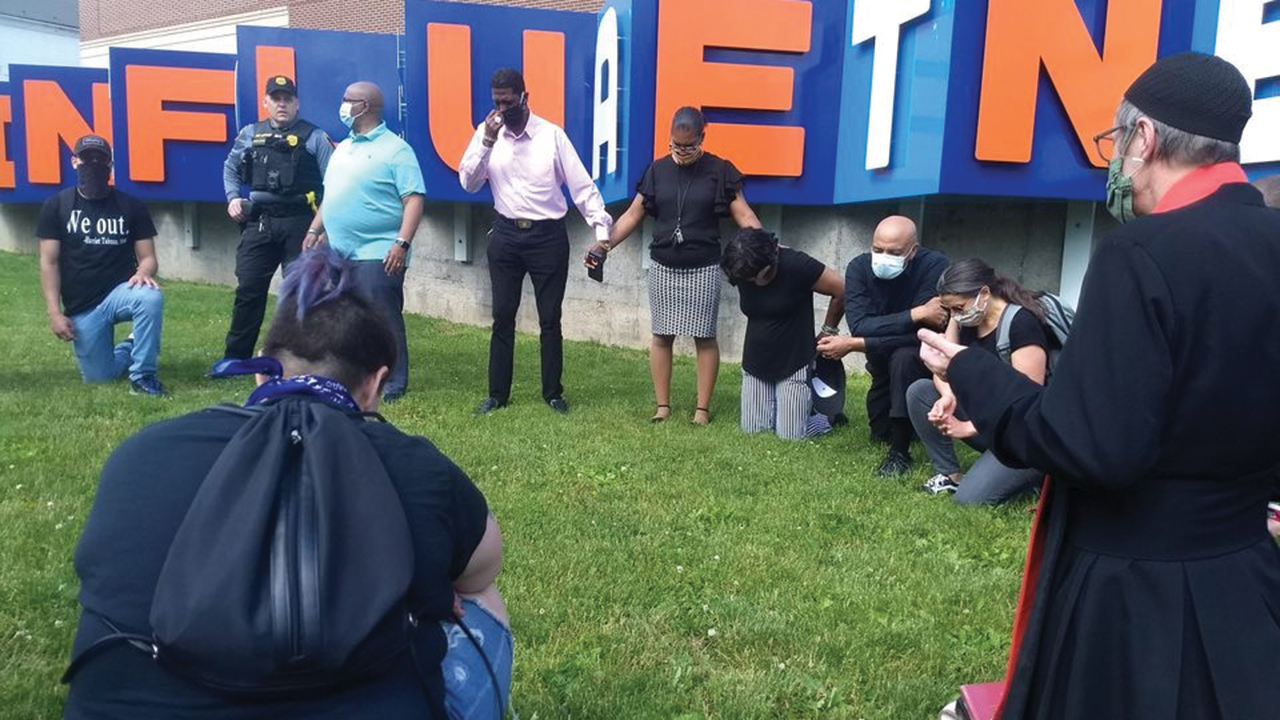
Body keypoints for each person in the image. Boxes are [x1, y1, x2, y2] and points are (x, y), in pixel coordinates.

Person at [918, 53, 1280, 719]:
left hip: (1136, 593)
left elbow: (1090, 446)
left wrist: (970, 371)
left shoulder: (1140, 253)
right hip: (1248, 583)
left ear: (1143, 137)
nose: (1116, 162)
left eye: (1115, 142)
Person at [63, 249, 511, 720]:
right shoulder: (418, 468)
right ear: (375, 384)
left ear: (261, 368)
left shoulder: (142, 454)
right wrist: (430, 588)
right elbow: (482, 571)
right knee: (480, 599)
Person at [588, 107, 761, 425]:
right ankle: (662, 406)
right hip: (663, 266)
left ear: (702, 138)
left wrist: (767, 246)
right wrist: (603, 245)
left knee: (704, 336)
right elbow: (633, 215)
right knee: (661, 335)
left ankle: (702, 410)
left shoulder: (719, 170)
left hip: (704, 267)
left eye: (688, 146)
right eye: (675, 145)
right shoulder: (657, 170)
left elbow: (744, 215)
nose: (681, 152)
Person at [460, 68, 613, 416]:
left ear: (524, 97)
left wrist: (602, 233)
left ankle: (553, 393)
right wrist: (486, 142)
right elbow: (469, 182)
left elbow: (582, 187)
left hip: (548, 237)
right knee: (502, 316)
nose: (503, 110)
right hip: (505, 234)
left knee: (550, 318)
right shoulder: (487, 133)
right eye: (497, 102)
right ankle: (497, 395)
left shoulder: (551, 136)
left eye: (509, 102)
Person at [304, 81, 424, 403]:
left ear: (365, 106)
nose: (343, 105)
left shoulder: (396, 150)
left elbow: (414, 198)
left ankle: (394, 382)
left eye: (348, 100)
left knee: (383, 320)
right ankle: (352, 374)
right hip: (339, 251)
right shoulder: (343, 148)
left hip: (378, 251)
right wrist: (316, 230)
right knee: (344, 318)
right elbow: (332, 195)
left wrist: (401, 243)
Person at [212, 75, 333, 373]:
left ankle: (298, 360)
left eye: (287, 98)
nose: (282, 104)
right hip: (260, 223)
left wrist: (321, 228)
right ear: (265, 102)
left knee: (301, 294)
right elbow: (230, 168)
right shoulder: (250, 134)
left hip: (301, 224)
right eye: (276, 98)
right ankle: (235, 358)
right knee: (248, 290)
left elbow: (334, 184)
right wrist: (232, 198)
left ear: (297, 103)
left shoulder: (315, 137)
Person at [906, 258, 1046, 505]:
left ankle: (1039, 476)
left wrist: (969, 427)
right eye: (950, 309)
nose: (955, 315)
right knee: (920, 392)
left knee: (968, 500)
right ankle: (950, 475)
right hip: (991, 420)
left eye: (959, 308)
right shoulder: (968, 320)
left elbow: (1028, 407)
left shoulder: (1021, 323)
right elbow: (947, 367)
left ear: (984, 293)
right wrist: (948, 397)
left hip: (1023, 434)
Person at [37, 134, 167, 396]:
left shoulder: (131, 206)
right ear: (75, 162)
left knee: (150, 298)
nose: (94, 164)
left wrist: (143, 273)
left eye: (100, 159)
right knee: (101, 378)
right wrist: (54, 313)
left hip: (120, 292)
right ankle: (131, 346)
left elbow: (148, 257)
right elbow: (49, 263)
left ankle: (143, 377)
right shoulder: (57, 205)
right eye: (87, 158)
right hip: (82, 306)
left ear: (110, 165)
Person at [816, 216, 948, 476]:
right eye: (878, 249)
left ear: (913, 251)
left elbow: (925, 334)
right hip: (879, 360)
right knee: (880, 432)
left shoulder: (935, 266)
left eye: (894, 253)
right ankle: (905, 427)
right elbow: (860, 325)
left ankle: (899, 453)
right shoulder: (859, 268)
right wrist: (917, 313)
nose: (884, 257)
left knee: (903, 357)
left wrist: (857, 344)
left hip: (917, 356)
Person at [721, 229, 845, 440]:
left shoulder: (797, 264)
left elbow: (841, 290)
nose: (753, 283)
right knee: (755, 432)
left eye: (758, 277)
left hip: (794, 361)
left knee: (790, 436)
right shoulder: (741, 266)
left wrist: (828, 331)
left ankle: (827, 417)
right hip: (756, 361)